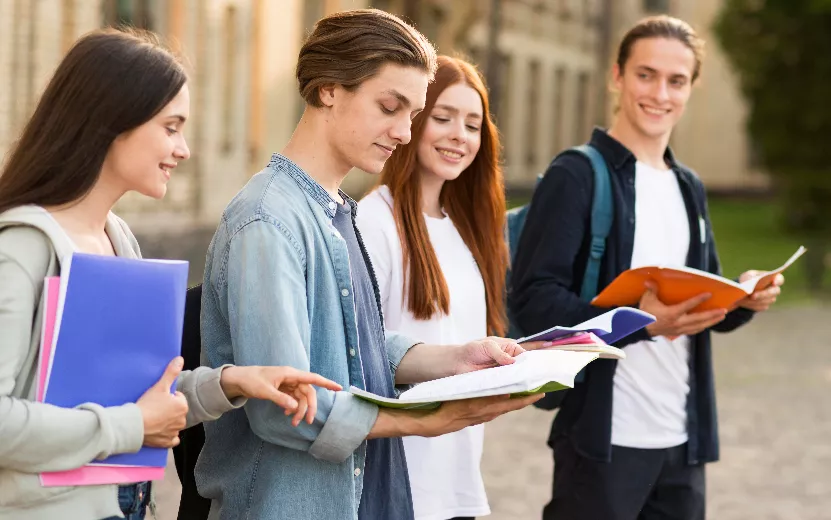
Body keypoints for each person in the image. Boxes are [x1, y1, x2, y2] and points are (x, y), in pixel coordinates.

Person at [196, 9, 542, 520]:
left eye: (413, 112)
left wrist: (457, 358)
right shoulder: (269, 220)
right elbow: (283, 407)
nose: (405, 131)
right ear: (330, 88)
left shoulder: (334, 210)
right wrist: (424, 419)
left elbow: (354, 347)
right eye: (390, 106)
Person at [0, 28, 341, 520]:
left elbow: (142, 395)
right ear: (112, 121)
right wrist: (133, 426)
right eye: (171, 126)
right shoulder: (20, 248)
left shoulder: (119, 239)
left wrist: (233, 382)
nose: (183, 150)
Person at [509, 15, 784, 520]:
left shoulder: (688, 186)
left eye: (676, 80)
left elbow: (703, 301)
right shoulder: (576, 175)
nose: (660, 93)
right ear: (617, 76)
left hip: (682, 441)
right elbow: (534, 300)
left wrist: (744, 298)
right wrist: (639, 321)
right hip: (602, 441)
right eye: (645, 74)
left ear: (691, 88)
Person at [356, 55, 506, 520]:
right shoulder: (373, 221)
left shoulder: (467, 228)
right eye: (442, 118)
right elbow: (360, 352)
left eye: (472, 124)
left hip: (458, 481)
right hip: (399, 484)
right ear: (411, 123)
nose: (459, 135)